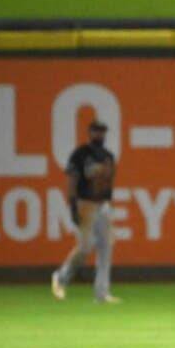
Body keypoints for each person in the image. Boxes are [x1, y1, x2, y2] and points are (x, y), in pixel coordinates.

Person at [51, 119, 120, 304]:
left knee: (106, 247)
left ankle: (102, 293)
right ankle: (60, 278)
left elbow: (108, 183)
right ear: (90, 133)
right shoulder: (80, 154)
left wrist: (109, 204)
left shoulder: (108, 156)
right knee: (85, 246)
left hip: (103, 205)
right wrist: (73, 205)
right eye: (96, 131)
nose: (100, 134)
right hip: (85, 203)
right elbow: (72, 179)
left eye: (102, 131)